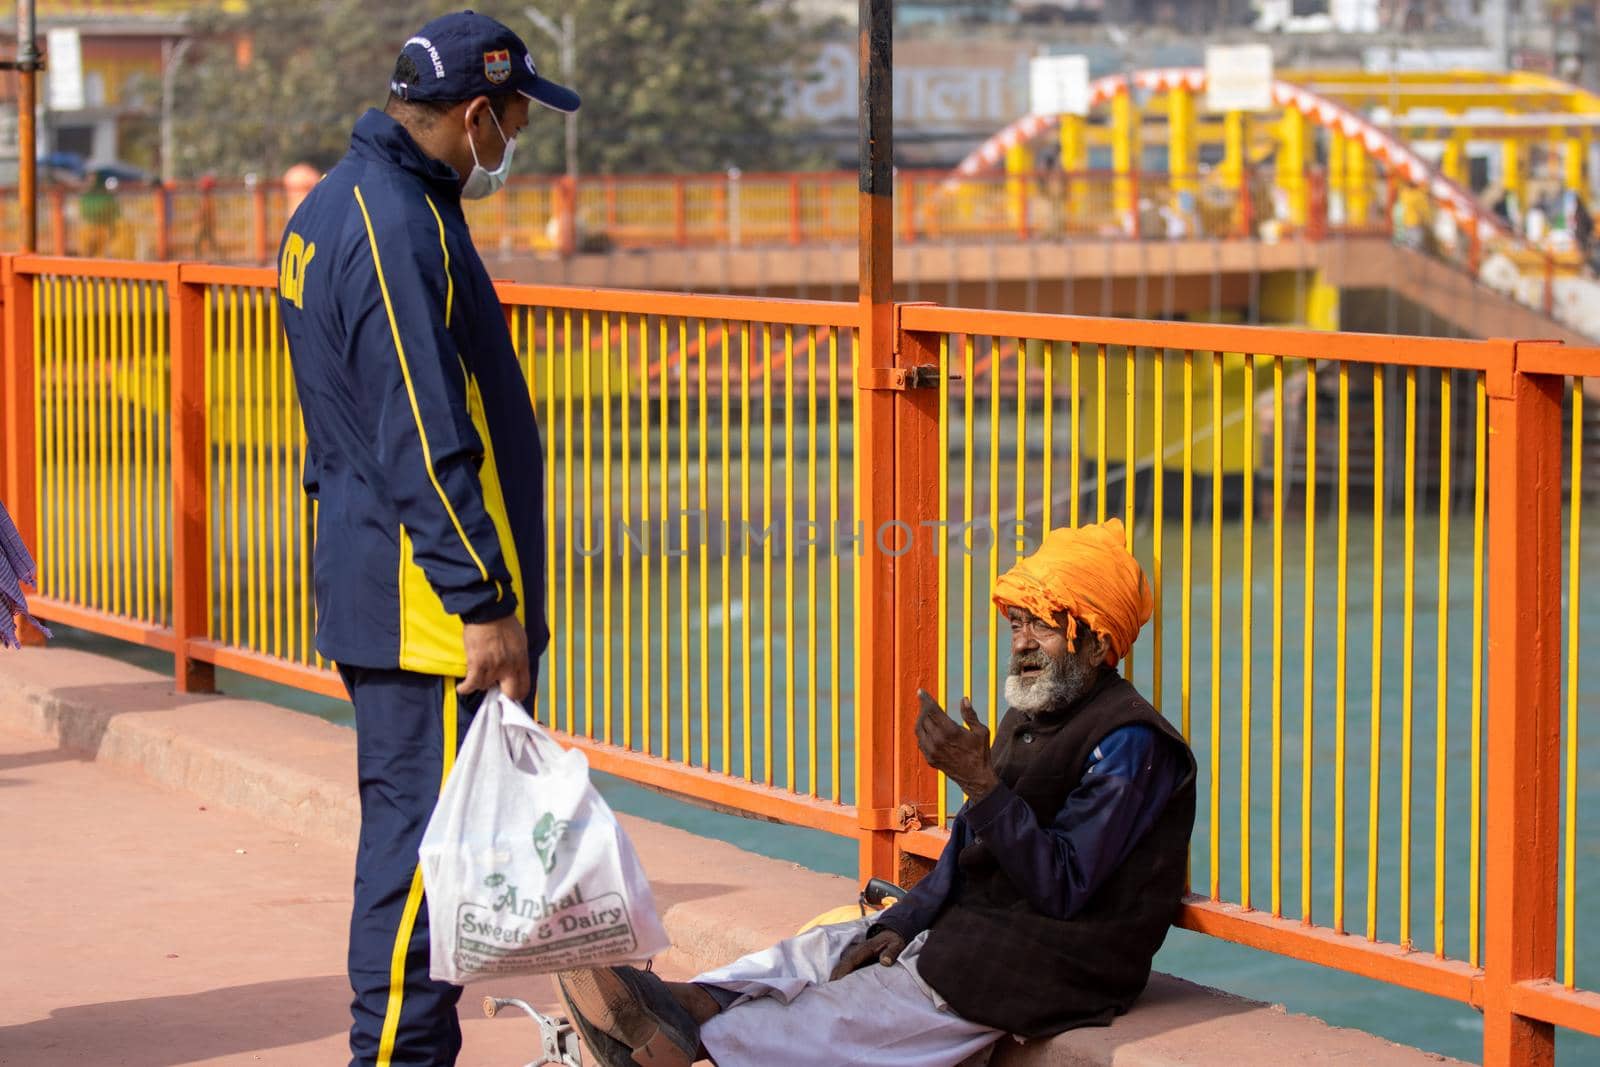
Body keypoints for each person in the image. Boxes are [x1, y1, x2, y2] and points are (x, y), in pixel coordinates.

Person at [555, 520, 1198, 1067]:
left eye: (1044, 627)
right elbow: (968, 853)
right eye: (1018, 623)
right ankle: (684, 1003)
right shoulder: (1032, 716)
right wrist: (905, 919)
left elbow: (1063, 885)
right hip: (984, 926)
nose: (1022, 642)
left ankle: (682, 1038)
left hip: (1056, 963)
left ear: (1100, 641)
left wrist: (979, 781)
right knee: (821, 951)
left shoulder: (1133, 744)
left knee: (844, 1009)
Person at [275, 11, 577, 1065]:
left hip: (381, 574)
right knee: (418, 858)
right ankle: (395, 1057)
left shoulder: (337, 204)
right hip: (425, 605)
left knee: (414, 847)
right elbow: (419, 425)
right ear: (478, 112)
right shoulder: (394, 221)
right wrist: (482, 599)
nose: (516, 145)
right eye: (517, 124)